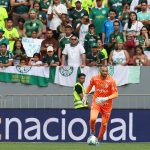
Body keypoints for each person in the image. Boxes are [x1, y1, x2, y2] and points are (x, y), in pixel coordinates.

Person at [82, 65, 118, 143]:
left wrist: (106, 98)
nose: (105, 73)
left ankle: (98, 139)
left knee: (104, 124)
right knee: (93, 119)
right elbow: (90, 85)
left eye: (106, 71)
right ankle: (92, 131)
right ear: (100, 71)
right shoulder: (94, 78)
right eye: (103, 71)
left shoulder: (111, 81)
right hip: (97, 102)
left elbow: (116, 94)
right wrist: (85, 94)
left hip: (107, 105)